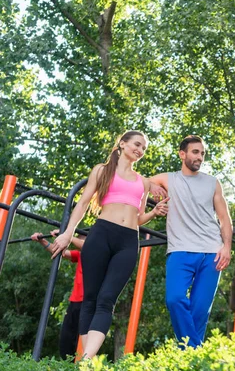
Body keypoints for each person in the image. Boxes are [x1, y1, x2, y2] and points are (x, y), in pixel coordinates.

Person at [51, 130, 169, 359]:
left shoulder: (143, 182)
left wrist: (154, 213)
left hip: (127, 241)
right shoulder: (102, 171)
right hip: (101, 234)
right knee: (91, 299)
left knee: (107, 300)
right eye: (137, 144)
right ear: (122, 144)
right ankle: (87, 361)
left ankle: (86, 359)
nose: (140, 150)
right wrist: (67, 233)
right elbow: (84, 203)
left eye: (144, 148)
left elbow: (137, 217)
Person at [149, 135, 233, 348]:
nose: (200, 157)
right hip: (180, 251)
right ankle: (196, 352)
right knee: (174, 299)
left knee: (199, 311)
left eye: (202, 153)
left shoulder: (213, 183)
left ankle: (188, 357)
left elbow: (224, 218)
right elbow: (140, 180)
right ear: (182, 154)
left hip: (211, 253)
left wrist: (227, 247)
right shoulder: (169, 178)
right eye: (195, 152)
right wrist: (152, 187)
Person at [32, 229, 85, 360]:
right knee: (66, 341)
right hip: (75, 303)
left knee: (83, 341)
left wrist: (67, 236)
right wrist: (42, 241)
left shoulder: (98, 253)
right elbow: (61, 252)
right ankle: (68, 366)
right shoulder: (80, 256)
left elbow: (89, 245)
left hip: (88, 303)